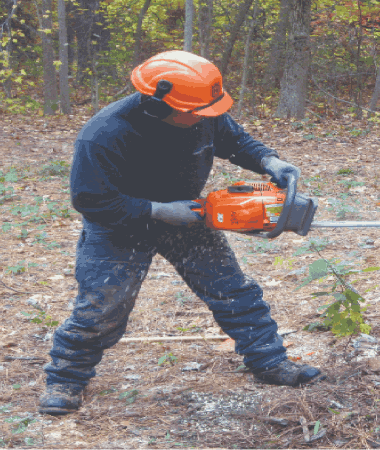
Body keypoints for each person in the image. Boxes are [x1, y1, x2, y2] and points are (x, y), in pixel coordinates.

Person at [38, 50, 323, 416]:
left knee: (233, 289)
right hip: (119, 226)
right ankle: (65, 378)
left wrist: (269, 160)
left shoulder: (202, 111)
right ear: (159, 105)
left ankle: (269, 362)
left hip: (187, 218)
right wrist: (156, 211)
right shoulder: (105, 133)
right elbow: (90, 199)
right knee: (102, 305)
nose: (207, 117)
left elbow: (234, 140)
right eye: (198, 112)